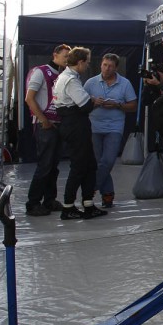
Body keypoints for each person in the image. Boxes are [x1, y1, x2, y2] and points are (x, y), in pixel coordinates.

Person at [52, 47, 108, 220]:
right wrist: (94, 102)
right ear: (81, 62)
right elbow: (84, 106)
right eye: (87, 62)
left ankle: (88, 204)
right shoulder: (70, 80)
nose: (88, 66)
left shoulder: (66, 77)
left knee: (90, 164)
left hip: (74, 123)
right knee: (78, 166)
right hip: (74, 124)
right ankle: (68, 206)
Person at [83, 53, 137, 208]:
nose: (107, 68)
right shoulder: (90, 83)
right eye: (104, 65)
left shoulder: (124, 84)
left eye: (110, 66)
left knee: (107, 161)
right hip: (94, 126)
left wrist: (117, 105)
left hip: (114, 127)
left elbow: (133, 106)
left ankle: (91, 188)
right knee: (98, 162)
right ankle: (107, 194)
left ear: (116, 68)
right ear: (100, 64)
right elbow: (81, 102)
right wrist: (94, 102)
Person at [24, 44, 70, 216]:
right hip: (46, 124)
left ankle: (49, 200)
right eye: (65, 56)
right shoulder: (41, 71)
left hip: (59, 124)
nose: (67, 60)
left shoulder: (64, 75)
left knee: (54, 165)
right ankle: (33, 203)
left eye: (69, 57)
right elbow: (29, 98)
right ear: (55, 55)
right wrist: (43, 120)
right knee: (45, 165)